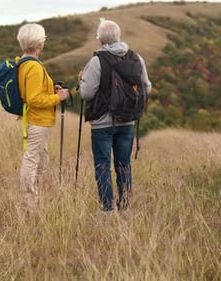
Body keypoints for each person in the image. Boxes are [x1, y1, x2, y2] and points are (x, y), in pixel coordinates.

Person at [78, 18, 152, 212]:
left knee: (102, 165)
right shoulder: (136, 58)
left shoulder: (97, 61)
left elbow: (86, 93)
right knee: (124, 164)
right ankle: (125, 206)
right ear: (118, 37)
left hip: (102, 123)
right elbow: (147, 87)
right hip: (127, 121)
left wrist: (82, 80)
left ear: (101, 40)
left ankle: (107, 209)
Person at [16, 23, 69, 209]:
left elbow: (32, 91)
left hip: (34, 119)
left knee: (41, 160)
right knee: (31, 160)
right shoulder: (34, 67)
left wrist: (50, 89)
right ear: (39, 43)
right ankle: (28, 204)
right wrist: (57, 97)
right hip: (37, 120)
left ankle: (33, 198)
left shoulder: (23, 62)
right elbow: (34, 98)